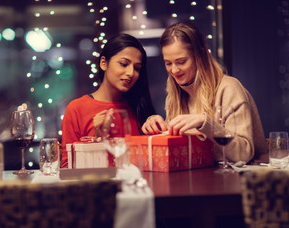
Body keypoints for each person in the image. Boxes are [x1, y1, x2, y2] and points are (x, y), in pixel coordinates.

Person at [142, 22, 267, 163]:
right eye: (168, 63)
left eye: (181, 62)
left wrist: (207, 124)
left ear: (200, 54)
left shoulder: (229, 88)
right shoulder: (173, 97)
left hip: (238, 180)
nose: (174, 70)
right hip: (198, 179)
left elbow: (243, 154)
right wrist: (159, 128)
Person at [61, 33, 156, 168]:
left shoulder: (139, 107)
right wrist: (97, 137)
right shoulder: (76, 109)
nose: (130, 73)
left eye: (137, 68)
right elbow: (67, 167)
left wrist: (158, 128)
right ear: (103, 63)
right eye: (123, 64)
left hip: (136, 186)